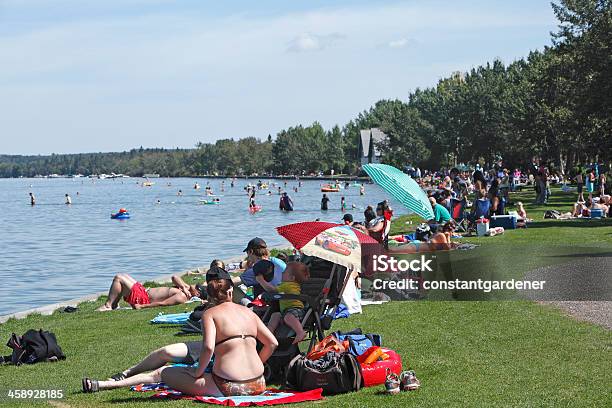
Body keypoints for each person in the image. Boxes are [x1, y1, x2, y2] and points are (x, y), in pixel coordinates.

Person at [83, 267, 278, 396]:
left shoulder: (210, 314)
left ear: (209, 296)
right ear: (230, 293)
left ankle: (107, 384)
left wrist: (197, 372)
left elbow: (208, 347)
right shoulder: (248, 312)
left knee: (163, 372)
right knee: (172, 363)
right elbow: (272, 343)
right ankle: (109, 382)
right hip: (258, 383)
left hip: (229, 386)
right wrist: (257, 363)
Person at [96, 274, 203, 311]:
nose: (193, 285)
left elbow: (163, 303)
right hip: (143, 291)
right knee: (124, 276)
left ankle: (108, 305)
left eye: (196, 286)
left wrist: (142, 307)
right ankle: (114, 304)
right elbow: (174, 277)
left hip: (143, 298)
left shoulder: (182, 297)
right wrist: (184, 287)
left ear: (197, 293)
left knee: (119, 278)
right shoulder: (184, 290)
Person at [265, 262, 310, 344]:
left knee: (288, 317)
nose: (282, 272)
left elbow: (272, 290)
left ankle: (300, 332)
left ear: (292, 278)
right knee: (276, 315)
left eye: (285, 272)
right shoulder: (286, 285)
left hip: (295, 309)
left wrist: (260, 280)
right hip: (286, 310)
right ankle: (269, 332)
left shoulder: (287, 285)